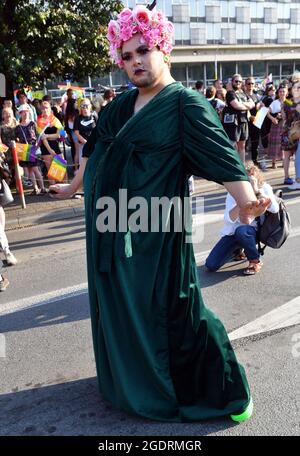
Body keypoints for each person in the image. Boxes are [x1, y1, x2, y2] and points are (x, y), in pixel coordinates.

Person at [50, 4, 271, 423]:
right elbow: (94, 148)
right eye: (127, 55)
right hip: (107, 224)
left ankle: (219, 388)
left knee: (171, 308)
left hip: (157, 229)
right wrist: (73, 187)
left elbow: (224, 157)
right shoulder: (119, 106)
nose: (134, 61)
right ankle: (127, 382)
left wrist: (246, 203)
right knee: (116, 303)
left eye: (143, 51)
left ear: (163, 49)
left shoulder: (185, 104)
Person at [205, 162, 279, 275]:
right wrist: (242, 200)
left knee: (242, 230)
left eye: (250, 177)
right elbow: (228, 219)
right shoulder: (233, 192)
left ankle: (255, 261)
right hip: (233, 233)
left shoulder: (264, 188)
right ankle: (238, 251)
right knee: (211, 264)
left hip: (254, 232)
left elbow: (274, 209)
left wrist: (256, 191)